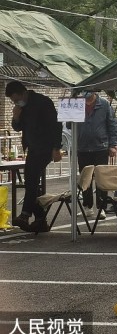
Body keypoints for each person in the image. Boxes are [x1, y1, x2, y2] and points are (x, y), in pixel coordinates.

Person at [6, 81, 62, 233]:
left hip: (46, 148)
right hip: (32, 148)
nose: (16, 102)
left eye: (16, 99)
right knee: (31, 182)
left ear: (23, 92)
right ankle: (40, 220)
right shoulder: (21, 108)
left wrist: (56, 148)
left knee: (31, 179)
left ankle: (25, 215)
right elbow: (18, 128)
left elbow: (57, 125)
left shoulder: (42, 102)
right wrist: (16, 117)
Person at [76, 90, 117, 217]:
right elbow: (69, 124)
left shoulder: (104, 104)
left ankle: (102, 208)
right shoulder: (78, 104)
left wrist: (112, 145)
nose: (85, 92)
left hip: (100, 147)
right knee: (85, 178)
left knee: (101, 178)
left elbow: (112, 125)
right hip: (82, 147)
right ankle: (87, 206)